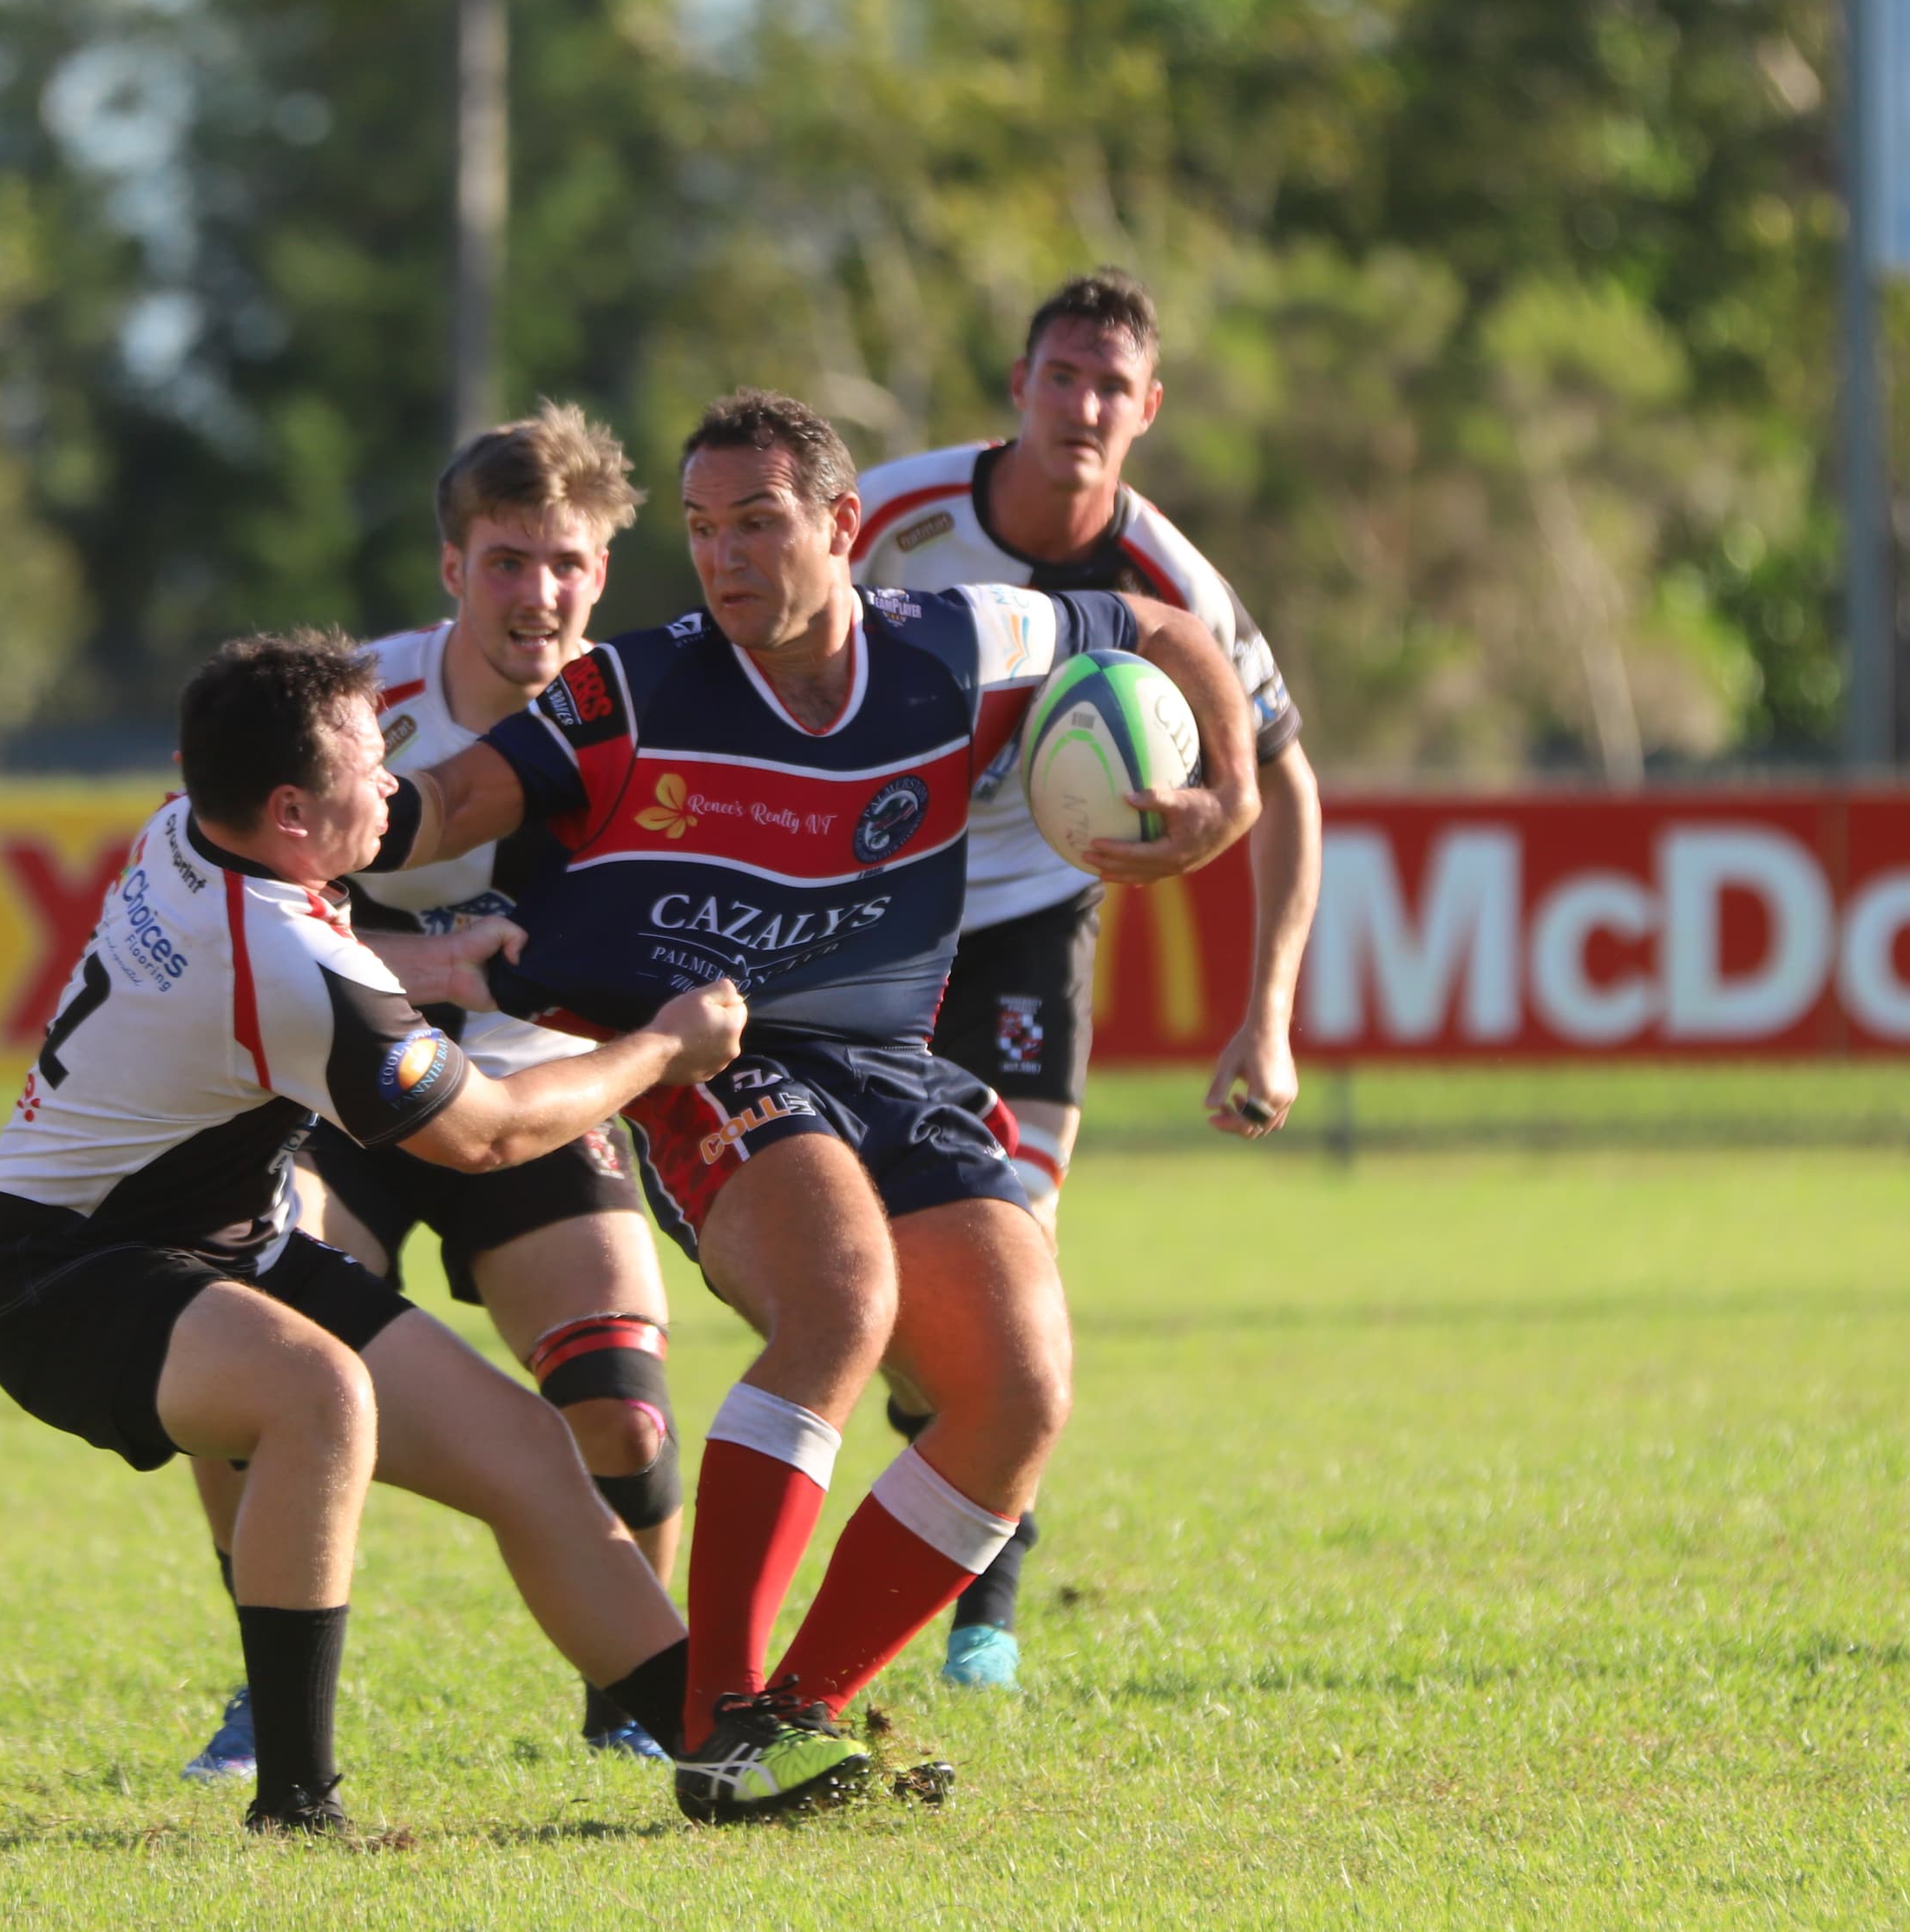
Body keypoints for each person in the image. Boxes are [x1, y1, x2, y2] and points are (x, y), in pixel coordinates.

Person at [377, 389, 1261, 1822]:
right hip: (706, 1053)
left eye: (759, 523)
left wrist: (1223, 791)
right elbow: (458, 800)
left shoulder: (959, 642)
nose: (722, 557)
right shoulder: (634, 688)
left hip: (895, 1070)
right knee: (840, 1300)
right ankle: (722, 1727)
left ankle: (804, 1712)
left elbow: (1161, 632)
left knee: (1017, 1390)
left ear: (842, 529)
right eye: (702, 528)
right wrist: (332, 820)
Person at [0, 630, 757, 1835]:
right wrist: (660, 1050)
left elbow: (304, 965)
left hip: (210, 1239)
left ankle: (717, 1749)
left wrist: (432, 964)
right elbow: (485, 1136)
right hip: (57, 1274)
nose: (393, 781)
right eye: (369, 763)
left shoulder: (185, 829)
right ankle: (296, 1802)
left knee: (529, 1453)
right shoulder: (280, 956)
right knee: (317, 1397)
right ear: (288, 810)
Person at [179, 405, 686, 1782]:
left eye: (568, 562)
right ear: (454, 567)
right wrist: (432, 961)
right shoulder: (354, 706)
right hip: (336, 1099)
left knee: (623, 1405)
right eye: (509, 560)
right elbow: (222, 891)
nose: (541, 593)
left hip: (533, 1090)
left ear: (601, 571)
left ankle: (634, 1689)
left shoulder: (652, 715)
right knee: (256, 1371)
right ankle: (259, 1689)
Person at [849, 266, 1322, 1687]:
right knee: (876, 1281)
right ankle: (967, 1470)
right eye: (1064, 376)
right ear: (1020, 385)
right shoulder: (893, 515)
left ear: (1150, 409)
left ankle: (990, 1587)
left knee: (1013, 1254)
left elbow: (1288, 783)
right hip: (876, 911)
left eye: (1114, 385)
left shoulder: (1169, 577)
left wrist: (1269, 1020)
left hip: (1039, 926)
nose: (1086, 406)